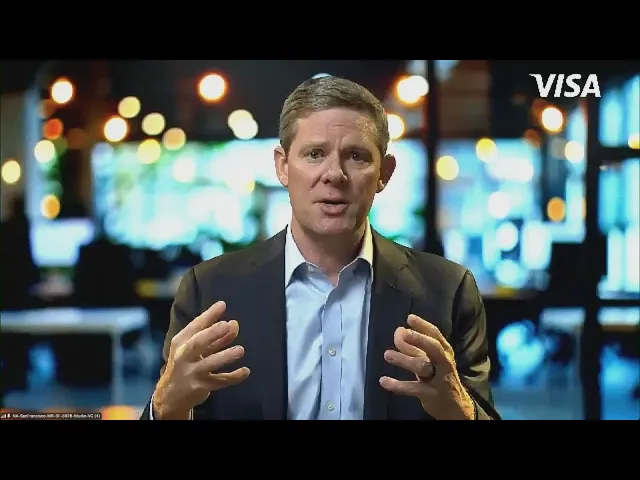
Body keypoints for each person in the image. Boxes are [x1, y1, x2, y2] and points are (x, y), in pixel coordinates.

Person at [141, 76, 499, 420]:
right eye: (315, 154)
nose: (334, 174)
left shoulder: (448, 292)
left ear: (384, 173)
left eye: (356, 156)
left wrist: (461, 411)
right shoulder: (209, 291)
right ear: (283, 166)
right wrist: (166, 407)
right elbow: (171, 409)